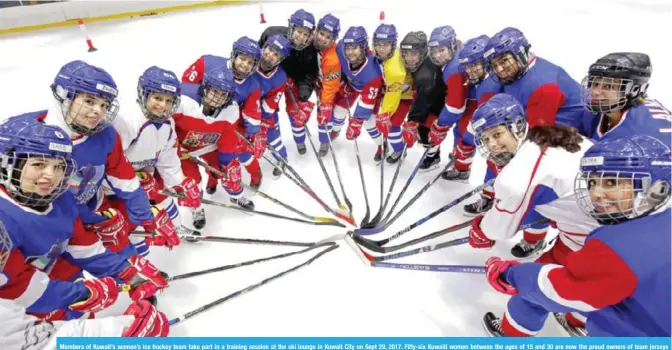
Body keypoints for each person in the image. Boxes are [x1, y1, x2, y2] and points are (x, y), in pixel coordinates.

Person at [481, 135, 671, 337]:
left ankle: (511, 338)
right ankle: (576, 321)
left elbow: (560, 290)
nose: (596, 193)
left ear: (656, 189)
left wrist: (513, 275)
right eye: (592, 183)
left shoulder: (620, 247)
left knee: (533, 291)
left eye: (610, 182)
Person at [0, 117, 167, 322]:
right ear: (8, 163)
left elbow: (83, 247)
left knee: (81, 319)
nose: (50, 176)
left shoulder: (61, 200)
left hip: (54, 283)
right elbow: (16, 289)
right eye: (38, 164)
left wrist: (129, 275)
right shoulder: (4, 219)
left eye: (58, 167)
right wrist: (82, 294)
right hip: (15, 320)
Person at [483, 27, 594, 255]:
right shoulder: (520, 73)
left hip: (563, 139)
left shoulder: (541, 86)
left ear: (521, 54)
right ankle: (496, 199)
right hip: (549, 129)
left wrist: (509, 166)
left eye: (504, 61)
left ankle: (534, 238)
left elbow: (533, 143)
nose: (500, 69)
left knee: (538, 190)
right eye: (495, 65)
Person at [0, 220, 169, 348]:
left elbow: (84, 246)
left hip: (59, 283)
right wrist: (121, 331)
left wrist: (128, 275)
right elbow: (41, 341)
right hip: (42, 301)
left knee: (78, 315)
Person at [109, 66, 202, 240]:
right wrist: (135, 180)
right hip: (117, 189)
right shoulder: (128, 121)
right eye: (157, 98)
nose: (163, 106)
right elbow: (109, 164)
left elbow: (168, 163)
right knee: (128, 229)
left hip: (146, 179)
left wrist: (181, 184)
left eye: (169, 100)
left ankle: (177, 228)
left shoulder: (168, 125)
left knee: (165, 201)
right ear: (144, 94)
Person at [173, 65, 252, 230]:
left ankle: (237, 195)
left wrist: (225, 164)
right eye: (214, 91)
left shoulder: (231, 110)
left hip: (210, 146)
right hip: (183, 151)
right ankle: (196, 209)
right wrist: (174, 149)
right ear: (204, 88)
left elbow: (227, 140)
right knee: (190, 184)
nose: (218, 98)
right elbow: (166, 127)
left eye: (223, 94)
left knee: (232, 171)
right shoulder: (182, 99)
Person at [181, 37, 265, 193]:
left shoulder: (253, 84)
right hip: (204, 117)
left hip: (230, 121)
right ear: (234, 55)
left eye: (250, 62)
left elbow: (251, 111)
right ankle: (213, 179)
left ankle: (255, 173)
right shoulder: (206, 63)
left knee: (239, 150)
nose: (245, 65)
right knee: (209, 152)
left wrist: (254, 133)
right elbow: (186, 88)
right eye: (242, 58)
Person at [440, 34, 502, 184]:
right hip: (482, 108)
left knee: (468, 137)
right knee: (460, 130)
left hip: (500, 123)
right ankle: (461, 163)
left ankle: (466, 172)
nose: (470, 70)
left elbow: (482, 122)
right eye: (467, 66)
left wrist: (466, 142)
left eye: (474, 65)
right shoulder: (485, 77)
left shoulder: (490, 85)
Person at [258, 9, 319, 155]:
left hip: (295, 83)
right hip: (272, 83)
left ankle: (300, 141)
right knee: (269, 115)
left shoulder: (310, 49)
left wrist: (305, 87)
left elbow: (310, 72)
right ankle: (277, 147)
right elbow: (257, 56)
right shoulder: (271, 34)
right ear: (291, 27)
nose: (301, 37)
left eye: (306, 34)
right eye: (299, 31)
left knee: (295, 114)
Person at [581, 52, 671, 146]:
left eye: (608, 86)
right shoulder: (602, 110)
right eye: (595, 84)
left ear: (634, 90)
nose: (595, 92)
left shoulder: (649, 131)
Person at [334, 26, 386, 162]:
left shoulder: (373, 72)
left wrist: (356, 122)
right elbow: (337, 64)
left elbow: (367, 103)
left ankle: (382, 144)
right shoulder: (340, 48)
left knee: (369, 122)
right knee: (338, 110)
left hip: (371, 91)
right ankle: (335, 130)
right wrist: (343, 80)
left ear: (363, 47)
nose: (350, 52)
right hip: (353, 84)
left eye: (355, 48)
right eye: (348, 48)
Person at [399, 31, 447, 171]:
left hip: (439, 102)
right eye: (406, 54)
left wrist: (412, 121)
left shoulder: (425, 76)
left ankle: (433, 157)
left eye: (413, 54)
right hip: (433, 96)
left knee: (426, 130)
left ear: (423, 52)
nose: (409, 59)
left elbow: (422, 101)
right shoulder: (425, 60)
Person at [371, 23, 415, 164]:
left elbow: (394, 94)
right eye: (378, 44)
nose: (381, 48)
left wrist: (385, 114)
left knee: (392, 125)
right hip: (393, 91)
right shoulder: (385, 54)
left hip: (404, 96)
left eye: (386, 45)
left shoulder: (394, 68)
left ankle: (399, 148)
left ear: (393, 44)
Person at [255, 34, 293, 178]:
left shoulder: (280, 77)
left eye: (276, 54)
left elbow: (270, 106)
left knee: (273, 137)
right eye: (269, 49)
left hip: (266, 111)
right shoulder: (251, 59)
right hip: (243, 108)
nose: (270, 55)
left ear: (280, 60)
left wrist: (261, 126)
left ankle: (281, 159)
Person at [310, 13, 342, 158]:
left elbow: (330, 87)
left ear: (333, 39)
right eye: (321, 34)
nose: (323, 39)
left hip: (330, 85)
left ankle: (325, 140)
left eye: (328, 37)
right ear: (316, 31)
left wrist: (325, 105)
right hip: (316, 80)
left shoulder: (332, 58)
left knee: (324, 113)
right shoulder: (308, 43)